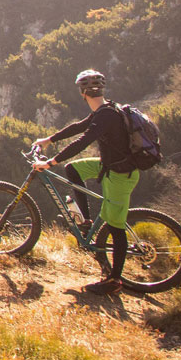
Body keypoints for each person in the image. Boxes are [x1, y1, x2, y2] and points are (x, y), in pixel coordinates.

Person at [32, 68, 139, 295]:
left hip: (120, 173)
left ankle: (114, 281)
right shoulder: (106, 109)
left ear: (82, 93)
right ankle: (86, 220)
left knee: (115, 227)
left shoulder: (106, 114)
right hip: (109, 164)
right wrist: (49, 140)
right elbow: (79, 127)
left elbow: (83, 141)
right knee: (73, 168)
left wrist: (50, 163)